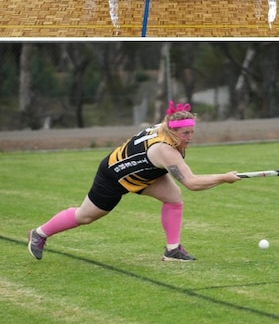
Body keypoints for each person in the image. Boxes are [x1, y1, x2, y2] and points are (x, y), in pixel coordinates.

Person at [27, 102, 241, 262]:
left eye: (192, 132)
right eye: (186, 133)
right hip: (114, 175)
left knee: (174, 198)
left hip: (145, 174)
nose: (190, 137)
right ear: (172, 130)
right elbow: (192, 183)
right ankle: (39, 233)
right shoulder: (165, 149)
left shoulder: (168, 127)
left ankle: (172, 250)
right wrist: (224, 178)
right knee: (86, 216)